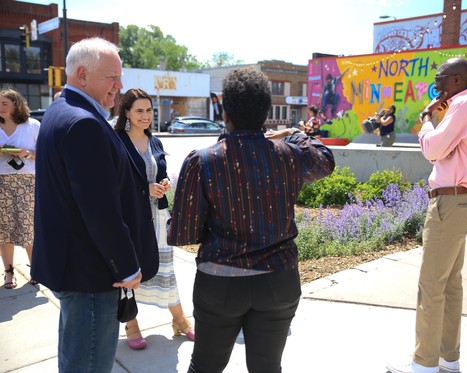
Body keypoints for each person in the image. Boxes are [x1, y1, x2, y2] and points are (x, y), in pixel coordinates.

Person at [168, 68, 335, 373]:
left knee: (204, 368)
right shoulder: (288, 155)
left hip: (219, 284)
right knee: (267, 368)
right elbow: (324, 159)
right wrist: (293, 133)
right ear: (266, 112)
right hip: (278, 281)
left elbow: (183, 234)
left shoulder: (203, 160)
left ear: (225, 111)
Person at [31, 37, 159, 373]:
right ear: (82, 75)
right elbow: (99, 210)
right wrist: (127, 267)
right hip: (90, 272)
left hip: (74, 264)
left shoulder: (61, 112)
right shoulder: (84, 123)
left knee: (77, 357)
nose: (120, 86)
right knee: (88, 364)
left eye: (120, 76)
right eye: (112, 77)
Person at [386, 57, 467, 373]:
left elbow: (433, 149)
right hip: (461, 200)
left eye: (441, 78)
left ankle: (424, 363)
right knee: (449, 284)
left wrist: (427, 122)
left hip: (449, 203)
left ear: (457, 80)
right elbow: (450, 150)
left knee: (431, 283)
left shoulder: (463, 107)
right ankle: (448, 358)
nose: (437, 84)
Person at [114, 88, 195, 350]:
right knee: (132, 269)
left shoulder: (155, 141)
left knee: (166, 269)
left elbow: (157, 172)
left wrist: (163, 183)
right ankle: (131, 324)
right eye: (139, 110)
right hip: (132, 219)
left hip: (158, 217)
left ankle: (180, 320)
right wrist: (143, 189)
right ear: (126, 112)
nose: (145, 115)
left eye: (149, 110)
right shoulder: (116, 141)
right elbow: (112, 184)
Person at [0, 88, 40, 289]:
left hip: (28, 181)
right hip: (1, 181)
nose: (0, 108)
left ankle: (36, 269)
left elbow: (46, 154)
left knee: (29, 227)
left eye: (4, 103)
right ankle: (9, 273)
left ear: (16, 104)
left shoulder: (32, 126)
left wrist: (27, 154)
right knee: (4, 229)